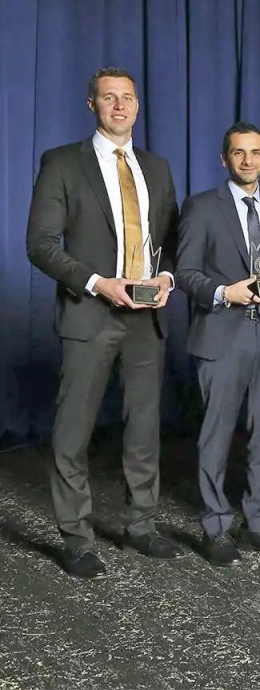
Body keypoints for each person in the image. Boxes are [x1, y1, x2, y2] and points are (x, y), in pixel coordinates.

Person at [25, 67, 184, 578]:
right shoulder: (63, 163)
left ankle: (141, 525)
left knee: (143, 427)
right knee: (73, 431)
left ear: (138, 106)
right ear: (90, 104)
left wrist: (167, 277)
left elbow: (175, 239)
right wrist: (97, 282)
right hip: (91, 313)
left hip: (146, 319)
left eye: (128, 98)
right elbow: (41, 244)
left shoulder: (156, 168)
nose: (120, 106)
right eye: (109, 97)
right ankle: (75, 537)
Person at [175, 122, 260, 566]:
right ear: (224, 159)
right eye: (238, 153)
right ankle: (216, 526)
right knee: (216, 434)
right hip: (223, 332)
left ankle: (259, 524)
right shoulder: (203, 207)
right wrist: (226, 292)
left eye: (256, 152)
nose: (248, 161)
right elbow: (185, 272)